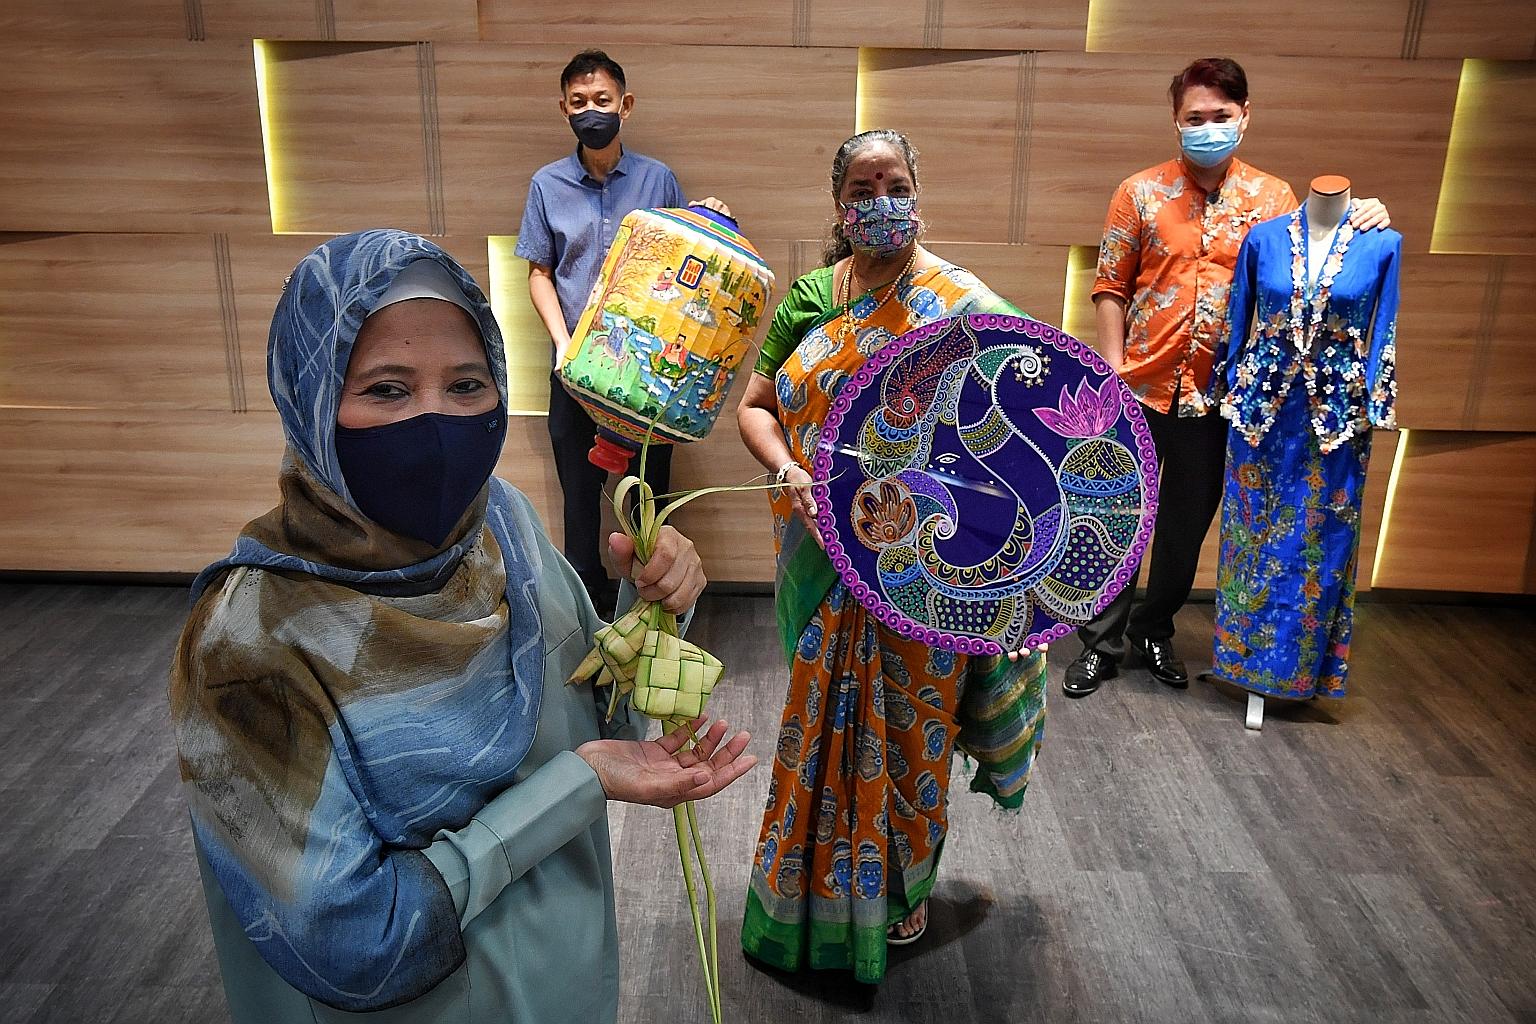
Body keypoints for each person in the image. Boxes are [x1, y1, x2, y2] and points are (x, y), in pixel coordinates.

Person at [168, 229, 756, 1023]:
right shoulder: (252, 642)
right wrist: (576, 787)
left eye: (467, 383)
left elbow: (609, 720)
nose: (436, 421)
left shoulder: (503, 532)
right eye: (386, 389)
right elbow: (355, 945)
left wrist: (649, 603)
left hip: (570, 984)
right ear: (310, 400)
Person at [735, 129, 1047, 984]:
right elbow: (756, 407)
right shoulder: (809, 298)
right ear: (841, 207)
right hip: (824, 548)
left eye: (896, 183)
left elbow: (1032, 397)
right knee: (818, 720)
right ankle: (804, 891)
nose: (882, 202)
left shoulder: (959, 299)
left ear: (919, 190)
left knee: (916, 727)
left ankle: (903, 882)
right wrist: (787, 464)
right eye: (864, 188)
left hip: (926, 561)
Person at [1064, 57, 1392, 698]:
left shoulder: (1274, 199)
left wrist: (1365, 214)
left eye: (1221, 117)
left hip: (1224, 398)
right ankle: (1101, 642)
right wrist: (1108, 372)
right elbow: (1110, 287)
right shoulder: (1138, 192)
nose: (1207, 127)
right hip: (1138, 388)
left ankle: (1154, 628)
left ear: (1245, 117)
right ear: (1175, 121)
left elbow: (1310, 263)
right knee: (1113, 518)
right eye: (1195, 118)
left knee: (1186, 524)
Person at [517, 48, 729, 610]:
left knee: (647, 501)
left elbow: (688, 263)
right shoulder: (545, 185)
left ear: (625, 106)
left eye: (602, 101)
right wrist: (563, 345)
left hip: (647, 376)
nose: (592, 110)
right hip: (573, 368)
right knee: (580, 502)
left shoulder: (659, 179)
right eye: (579, 102)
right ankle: (586, 620)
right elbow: (539, 272)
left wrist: (709, 213)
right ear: (564, 108)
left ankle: (647, 618)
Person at [1207, 178, 1401, 702]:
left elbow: (1385, 325)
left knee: (1321, 542)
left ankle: (1300, 672)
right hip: (1259, 414)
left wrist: (1376, 402)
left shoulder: (1383, 243)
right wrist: (1221, 385)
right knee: (1252, 536)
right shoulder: (1263, 239)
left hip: (1337, 419)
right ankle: (1241, 663)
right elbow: (1238, 316)